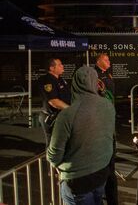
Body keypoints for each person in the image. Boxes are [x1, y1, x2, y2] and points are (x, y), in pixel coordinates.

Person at [47, 66, 115, 205]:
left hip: (77, 180)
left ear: (75, 84)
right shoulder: (108, 106)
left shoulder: (67, 115)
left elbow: (54, 155)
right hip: (102, 172)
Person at [94, 53, 118, 205]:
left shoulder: (107, 74)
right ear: (98, 61)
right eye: (106, 59)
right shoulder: (95, 75)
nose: (109, 61)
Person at [38, 58, 70, 146]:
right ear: (52, 68)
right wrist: (71, 109)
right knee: (53, 144)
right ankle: (51, 160)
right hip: (52, 117)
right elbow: (53, 101)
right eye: (59, 65)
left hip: (62, 116)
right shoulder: (47, 80)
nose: (62, 66)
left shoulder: (61, 80)